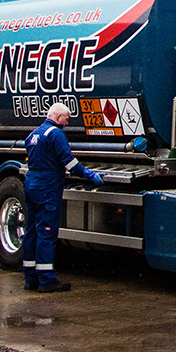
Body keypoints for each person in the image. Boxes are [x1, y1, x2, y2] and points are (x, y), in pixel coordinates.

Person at [23, 103, 103, 293]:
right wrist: (88, 174)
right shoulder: (56, 134)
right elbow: (69, 162)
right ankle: (47, 280)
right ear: (58, 118)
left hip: (32, 183)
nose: (67, 123)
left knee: (31, 232)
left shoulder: (34, 134)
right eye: (66, 119)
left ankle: (30, 277)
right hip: (47, 188)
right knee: (46, 233)